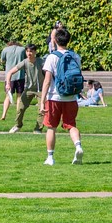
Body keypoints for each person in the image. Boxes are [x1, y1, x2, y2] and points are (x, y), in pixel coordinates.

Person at [39, 26, 85, 166]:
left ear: (55, 40)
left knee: (51, 127)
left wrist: (42, 101)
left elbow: (47, 81)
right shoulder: (75, 56)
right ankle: (78, 146)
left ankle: (50, 157)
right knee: (71, 125)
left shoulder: (52, 57)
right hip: (71, 97)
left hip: (54, 97)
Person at [5, 44, 44, 134]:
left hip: (41, 90)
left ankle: (38, 129)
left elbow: (50, 73)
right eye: (27, 51)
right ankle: (18, 125)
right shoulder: (25, 62)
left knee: (41, 110)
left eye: (31, 51)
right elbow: (10, 72)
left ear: (35, 52)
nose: (29, 53)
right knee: (20, 108)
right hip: (28, 89)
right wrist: (8, 84)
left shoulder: (41, 62)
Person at [0, 39, 27, 121]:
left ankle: (4, 114)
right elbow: (26, 60)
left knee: (8, 96)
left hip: (9, 77)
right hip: (20, 76)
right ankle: (18, 116)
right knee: (19, 97)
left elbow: (2, 61)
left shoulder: (5, 49)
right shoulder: (22, 49)